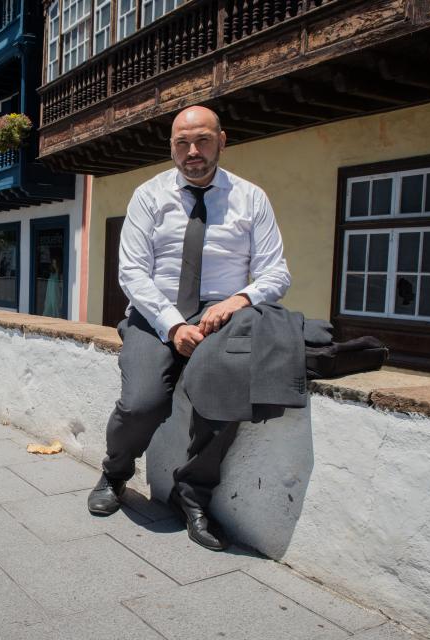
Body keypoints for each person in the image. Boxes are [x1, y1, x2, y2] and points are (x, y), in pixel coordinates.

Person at [87, 106, 291, 551]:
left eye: (202, 140)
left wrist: (239, 300)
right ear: (172, 147)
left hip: (224, 315)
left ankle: (193, 494)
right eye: (182, 143)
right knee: (141, 402)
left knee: (225, 398)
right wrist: (173, 324)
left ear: (222, 140)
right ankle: (115, 473)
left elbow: (276, 273)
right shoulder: (149, 195)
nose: (192, 151)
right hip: (155, 313)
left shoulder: (250, 198)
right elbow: (132, 272)